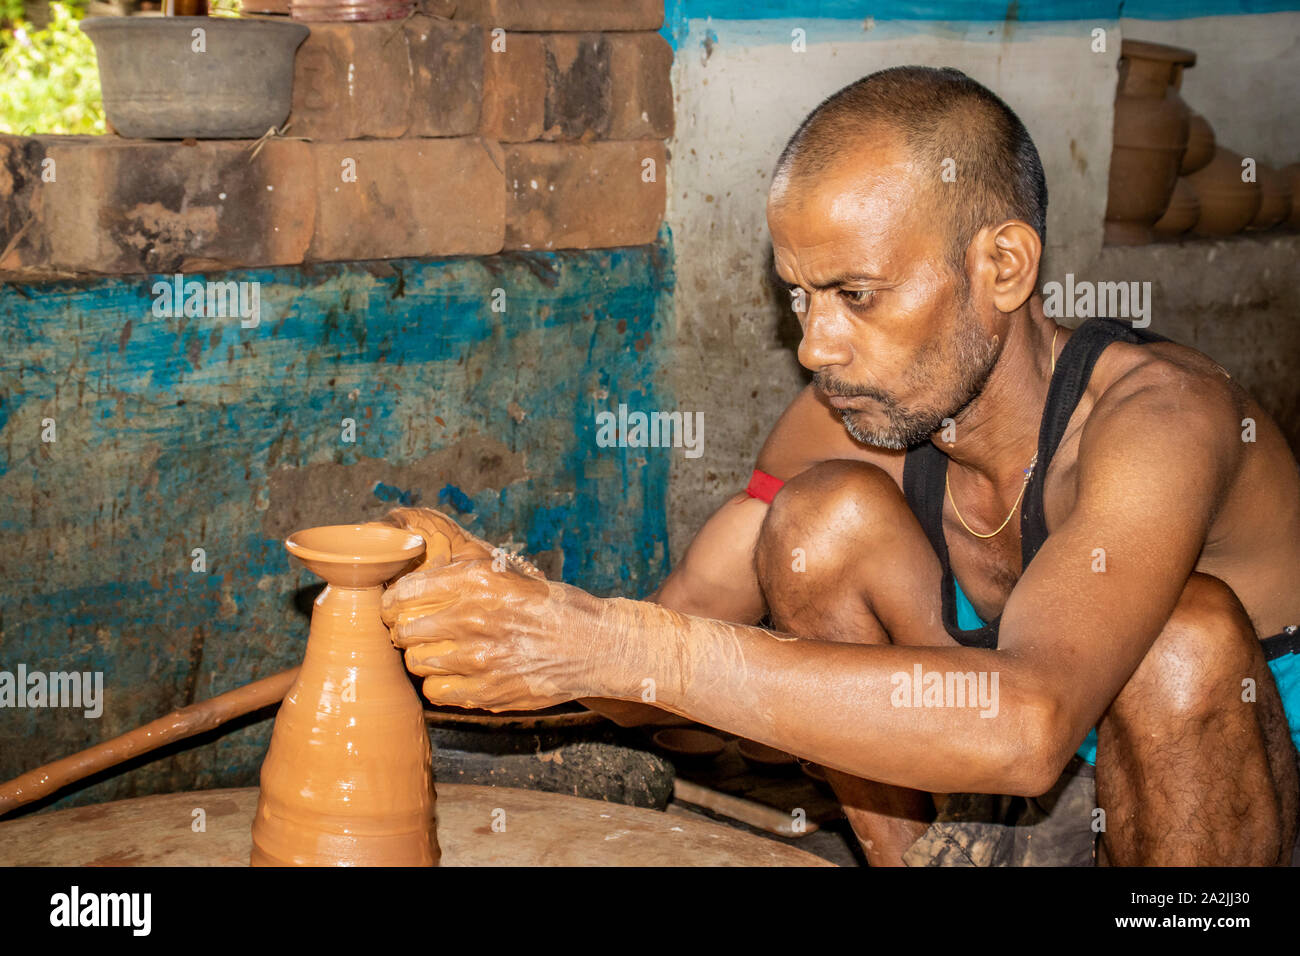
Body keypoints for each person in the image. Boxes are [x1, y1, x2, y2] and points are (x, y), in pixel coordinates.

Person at [380, 67, 1300, 866]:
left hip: (1229, 826)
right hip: (1046, 813)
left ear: (1005, 267)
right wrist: (508, 618)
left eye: (856, 296)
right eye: (800, 297)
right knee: (818, 523)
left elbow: (1029, 727)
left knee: (1185, 636)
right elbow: (683, 625)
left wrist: (629, 649)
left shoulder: (1163, 419)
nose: (817, 346)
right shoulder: (853, 411)